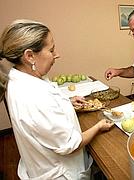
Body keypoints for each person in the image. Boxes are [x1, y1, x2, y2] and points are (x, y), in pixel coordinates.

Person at [0, 19, 114, 179]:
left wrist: (67, 103)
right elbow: (71, 145)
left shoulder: (19, 77)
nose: (57, 54)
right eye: (51, 50)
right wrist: (99, 126)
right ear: (30, 56)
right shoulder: (34, 96)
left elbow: (44, 117)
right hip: (60, 173)